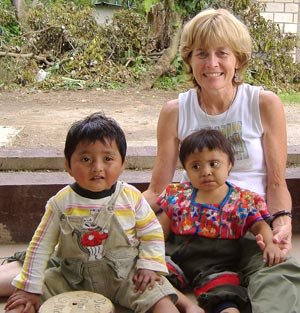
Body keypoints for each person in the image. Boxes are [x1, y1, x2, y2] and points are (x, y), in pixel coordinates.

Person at [142, 7, 300, 313]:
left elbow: (277, 183)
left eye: (222, 53)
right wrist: (115, 211)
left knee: (279, 276)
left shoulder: (263, 104)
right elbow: (158, 190)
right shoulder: (175, 111)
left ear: (238, 59)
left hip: (249, 228)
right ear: (188, 58)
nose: (211, 63)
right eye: (201, 53)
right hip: (192, 230)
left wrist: (281, 223)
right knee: (140, 269)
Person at [4, 112, 180, 313]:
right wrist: (30, 287)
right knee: (21, 303)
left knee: (163, 302)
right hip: (70, 278)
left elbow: (151, 232)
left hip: (126, 277)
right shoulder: (61, 202)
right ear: (68, 165)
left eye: (107, 158)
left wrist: (149, 265)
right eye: (86, 159)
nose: (97, 167)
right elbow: (40, 245)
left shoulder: (131, 197)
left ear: (122, 164)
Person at [158, 128, 285, 313]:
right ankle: (183, 304)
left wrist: (271, 245)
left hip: (217, 264)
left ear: (229, 164)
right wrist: (152, 252)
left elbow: (260, 225)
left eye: (214, 163)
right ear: (185, 169)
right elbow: (162, 229)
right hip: (177, 256)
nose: (206, 172)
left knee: (226, 293)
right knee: (152, 275)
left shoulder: (242, 200)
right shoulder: (178, 195)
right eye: (196, 166)